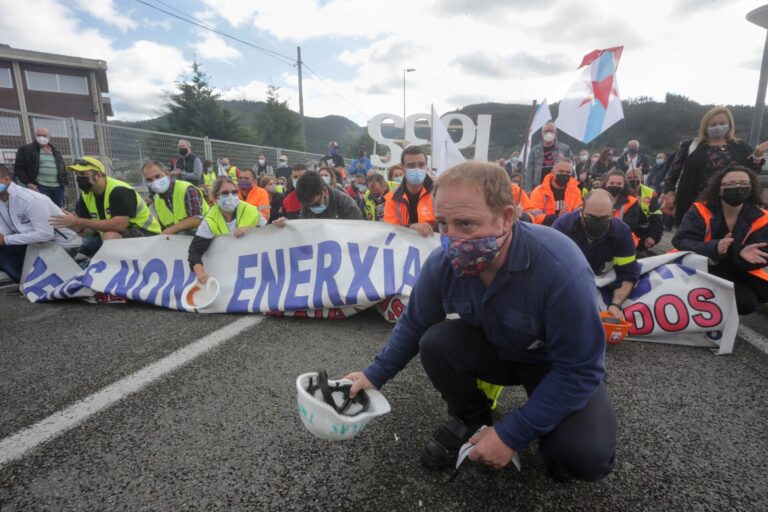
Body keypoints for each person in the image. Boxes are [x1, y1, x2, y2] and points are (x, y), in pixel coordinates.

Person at [344, 162, 616, 482]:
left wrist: (511, 434)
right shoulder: (442, 263)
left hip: (554, 367)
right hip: (501, 352)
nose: (452, 240)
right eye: (443, 224)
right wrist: (373, 375)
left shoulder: (560, 269)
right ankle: (471, 420)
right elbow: (414, 324)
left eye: (466, 224)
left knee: (584, 457)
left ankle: (552, 438)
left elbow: (580, 370)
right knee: (435, 341)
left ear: (506, 217)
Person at [672, 166, 768, 315]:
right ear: (719, 188)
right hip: (699, 268)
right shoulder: (700, 209)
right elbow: (681, 240)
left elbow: (763, 254)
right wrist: (714, 247)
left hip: (737, 272)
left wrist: (742, 254)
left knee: (746, 303)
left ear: (751, 187)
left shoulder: (762, 217)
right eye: (730, 184)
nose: (737, 187)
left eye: (743, 184)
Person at [664, 107, 767, 227]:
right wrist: (669, 193)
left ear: (729, 125)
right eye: (713, 124)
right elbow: (672, 173)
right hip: (697, 205)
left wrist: (758, 155)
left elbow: (751, 173)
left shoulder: (741, 147)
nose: (718, 127)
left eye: (722, 123)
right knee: (693, 240)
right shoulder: (690, 146)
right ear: (705, 126)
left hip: (731, 206)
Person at [552, 189, 640, 320]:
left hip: (601, 279)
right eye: (591, 217)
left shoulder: (621, 232)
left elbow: (628, 273)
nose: (597, 223)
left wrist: (615, 305)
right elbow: (548, 267)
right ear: (581, 211)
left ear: (612, 214)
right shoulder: (563, 226)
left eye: (604, 219)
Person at [50, 157, 161, 256]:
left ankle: (120, 271)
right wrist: (72, 225)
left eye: (83, 174)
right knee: (85, 247)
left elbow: (119, 226)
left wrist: (77, 221)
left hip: (147, 233)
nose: (79, 178)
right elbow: (88, 232)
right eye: (77, 175)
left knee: (110, 237)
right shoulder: (86, 195)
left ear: (98, 175)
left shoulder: (120, 190)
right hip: (113, 234)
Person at [0, 165, 80, 285]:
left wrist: (5, 239)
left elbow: (45, 234)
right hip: (35, 244)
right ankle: (27, 281)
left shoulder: (30, 199)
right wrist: (3, 238)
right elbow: (6, 228)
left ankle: (29, 283)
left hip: (62, 245)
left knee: (5, 252)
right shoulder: (2, 200)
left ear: (6, 180)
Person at [188, 176, 266, 285]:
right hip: (226, 270)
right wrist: (200, 273)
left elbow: (268, 234)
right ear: (215, 199)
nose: (231, 196)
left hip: (253, 266)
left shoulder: (251, 211)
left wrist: (250, 229)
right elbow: (194, 252)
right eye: (225, 193)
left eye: (234, 192)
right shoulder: (210, 220)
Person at [143, 161, 208, 235]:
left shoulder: (186, 189)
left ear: (167, 174)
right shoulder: (157, 201)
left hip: (206, 235)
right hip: (179, 240)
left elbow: (196, 219)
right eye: (149, 180)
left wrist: (169, 231)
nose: (155, 182)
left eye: (157, 176)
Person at [383, 146, 435, 237]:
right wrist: (411, 227)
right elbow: (389, 229)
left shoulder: (438, 194)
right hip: (403, 248)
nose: (417, 169)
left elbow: (449, 224)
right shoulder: (392, 198)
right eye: (411, 165)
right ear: (403, 169)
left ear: (426, 166)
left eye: (421, 165)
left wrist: (429, 227)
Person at [13, 127, 67, 207]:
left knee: (59, 211)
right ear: (35, 136)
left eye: (44, 135)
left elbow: (62, 167)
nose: (42, 137)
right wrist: (28, 183)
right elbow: (18, 168)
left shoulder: (56, 151)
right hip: (39, 187)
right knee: (42, 210)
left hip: (58, 187)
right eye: (39, 135)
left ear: (49, 137)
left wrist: (65, 181)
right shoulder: (25, 149)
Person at [284, 171, 362, 221]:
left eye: (315, 204)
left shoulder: (347, 205)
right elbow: (303, 227)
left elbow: (356, 233)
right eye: (308, 206)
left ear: (324, 191)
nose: (312, 208)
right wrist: (288, 226)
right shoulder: (307, 202)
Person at [526, 158, 583, 226]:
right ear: (552, 172)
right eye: (561, 172)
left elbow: (578, 213)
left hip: (568, 228)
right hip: (545, 229)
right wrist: (558, 218)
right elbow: (535, 216)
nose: (564, 174)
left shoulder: (575, 191)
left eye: (568, 172)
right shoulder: (539, 192)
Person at [524, 122, 573, 192]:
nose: (549, 133)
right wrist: (528, 190)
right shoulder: (534, 150)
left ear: (555, 133)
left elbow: (572, 165)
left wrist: (564, 159)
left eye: (551, 131)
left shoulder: (565, 148)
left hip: (559, 187)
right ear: (542, 134)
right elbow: (529, 171)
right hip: (539, 187)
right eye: (546, 131)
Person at [626, 167, 662, 253]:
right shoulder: (621, 190)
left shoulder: (650, 192)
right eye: (629, 178)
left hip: (641, 229)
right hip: (625, 228)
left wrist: (653, 236)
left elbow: (656, 216)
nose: (632, 180)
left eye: (635, 177)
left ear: (641, 177)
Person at [603, 170, 640, 240]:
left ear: (624, 186)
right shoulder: (596, 198)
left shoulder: (632, 202)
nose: (615, 185)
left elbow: (630, 226)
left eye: (619, 184)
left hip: (621, 239)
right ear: (606, 183)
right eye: (612, 183)